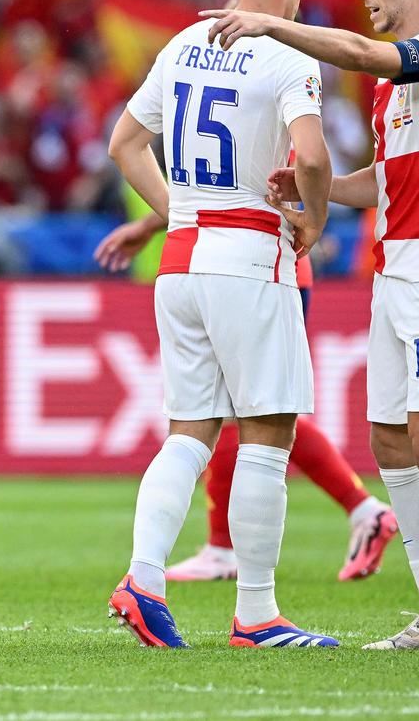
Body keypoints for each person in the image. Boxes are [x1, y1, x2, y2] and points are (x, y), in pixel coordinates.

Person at [204, 0, 419, 653]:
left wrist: (271, 24)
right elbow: (390, 183)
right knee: (390, 441)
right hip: (394, 271)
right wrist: (317, 187)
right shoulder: (392, 95)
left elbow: (365, 54)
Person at [106, 0, 339, 649]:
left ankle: (144, 578)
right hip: (250, 259)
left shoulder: (183, 43)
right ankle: (258, 614)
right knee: (268, 431)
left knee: (189, 433)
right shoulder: (288, 55)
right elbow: (313, 156)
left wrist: (176, 213)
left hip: (182, 260)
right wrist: (315, 219)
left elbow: (124, 143)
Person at [97, 224, 398, 584]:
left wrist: (149, 225)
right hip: (258, 268)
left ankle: (226, 550)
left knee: (243, 412)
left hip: (254, 271)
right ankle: (361, 511)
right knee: (247, 412)